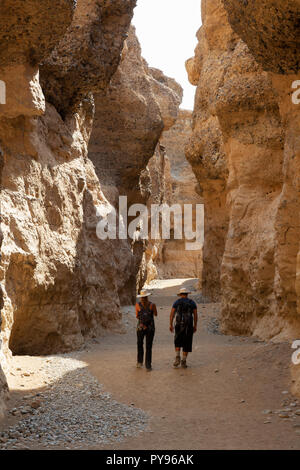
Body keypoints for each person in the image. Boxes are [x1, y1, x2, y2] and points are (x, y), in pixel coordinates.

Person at [169, 287, 198, 368]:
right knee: (187, 342)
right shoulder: (192, 303)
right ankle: (184, 361)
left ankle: (177, 357)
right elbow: (195, 315)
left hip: (178, 325)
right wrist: (195, 325)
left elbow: (172, 315)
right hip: (188, 326)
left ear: (180, 294)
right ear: (187, 294)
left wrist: (171, 324)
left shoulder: (176, 302)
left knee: (177, 341)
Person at [136, 290, 158, 371]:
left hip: (140, 327)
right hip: (150, 327)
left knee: (139, 344)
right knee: (149, 346)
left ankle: (139, 362)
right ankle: (148, 365)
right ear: (147, 296)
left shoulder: (137, 305)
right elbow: (155, 314)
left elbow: (137, 316)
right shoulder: (152, 305)